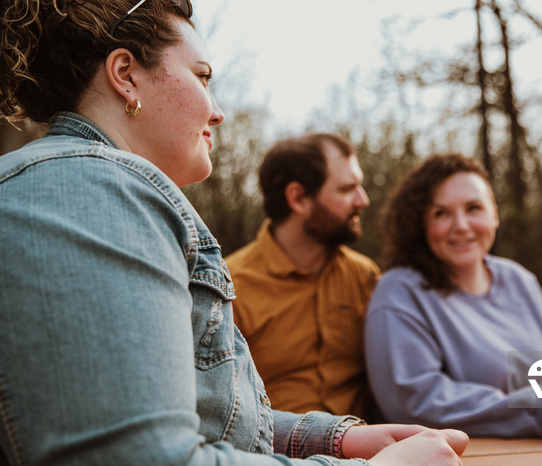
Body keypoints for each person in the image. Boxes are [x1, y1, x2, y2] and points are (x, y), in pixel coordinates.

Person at [0, 2, 469, 464]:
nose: (218, 111)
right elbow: (136, 456)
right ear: (125, 73)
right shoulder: (86, 191)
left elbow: (198, 421)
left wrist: (330, 440)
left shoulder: (93, 191)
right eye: (202, 76)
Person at [364, 153, 542, 438]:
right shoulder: (399, 292)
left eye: (473, 208)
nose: (461, 225)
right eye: (441, 213)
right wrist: (538, 410)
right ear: (420, 225)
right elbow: (413, 402)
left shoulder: (520, 281)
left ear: (494, 214)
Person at [224, 133, 379, 419]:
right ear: (298, 198)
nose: (363, 200)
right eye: (347, 189)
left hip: (370, 451)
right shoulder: (230, 287)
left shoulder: (365, 276)